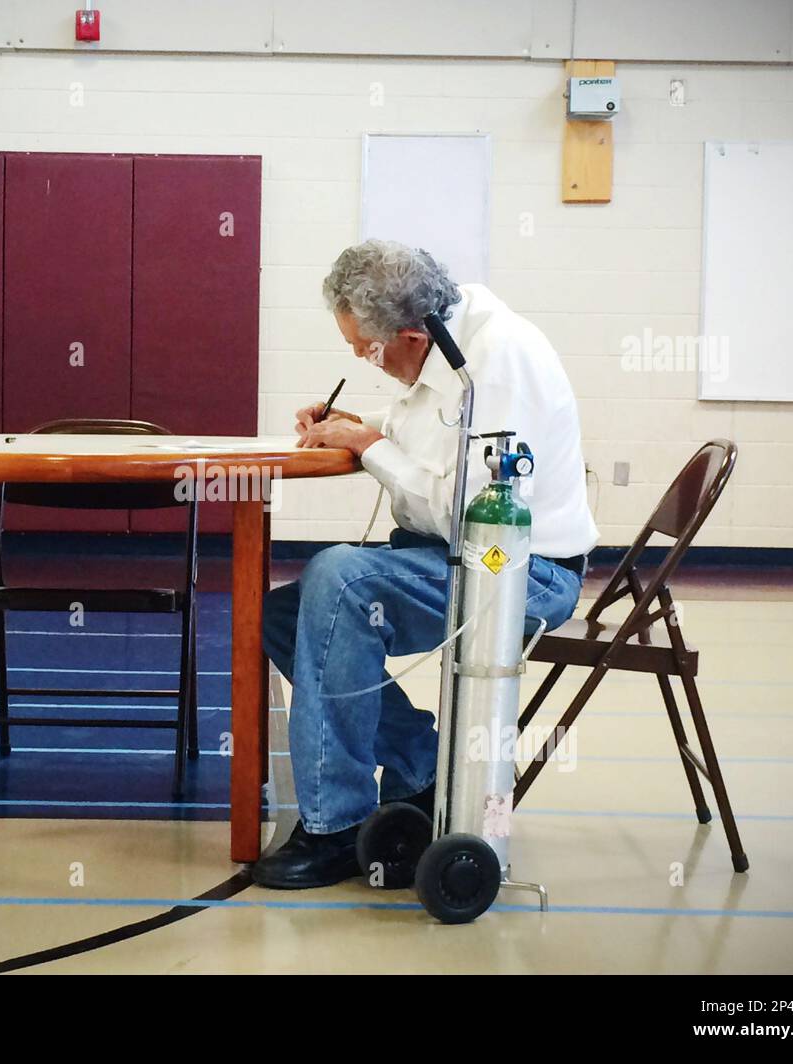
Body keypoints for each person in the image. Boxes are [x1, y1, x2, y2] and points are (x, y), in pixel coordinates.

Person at [252, 239, 598, 889]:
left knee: (338, 577)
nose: (362, 359)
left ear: (412, 333)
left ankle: (335, 824)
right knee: (283, 610)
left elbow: (471, 514)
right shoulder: (447, 335)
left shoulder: (495, 363)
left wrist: (370, 444)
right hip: (455, 557)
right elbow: (425, 424)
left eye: (368, 349)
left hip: (518, 571)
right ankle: (420, 764)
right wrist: (355, 423)